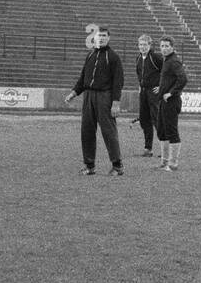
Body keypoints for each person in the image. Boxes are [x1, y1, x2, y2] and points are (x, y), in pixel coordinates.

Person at [64, 27, 125, 176]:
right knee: (87, 131)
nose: (101, 38)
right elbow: (83, 77)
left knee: (109, 131)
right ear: (95, 38)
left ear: (108, 38)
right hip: (88, 97)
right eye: (99, 36)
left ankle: (117, 166)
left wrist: (115, 102)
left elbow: (118, 81)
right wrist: (74, 92)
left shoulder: (113, 57)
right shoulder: (90, 54)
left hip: (105, 96)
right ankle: (89, 165)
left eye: (104, 36)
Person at [155, 36, 188, 171]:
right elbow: (170, 79)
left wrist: (171, 92)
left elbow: (183, 79)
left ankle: (173, 163)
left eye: (167, 46)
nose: (164, 48)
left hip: (171, 102)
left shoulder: (174, 61)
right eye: (162, 46)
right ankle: (164, 161)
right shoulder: (166, 61)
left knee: (171, 131)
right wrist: (161, 88)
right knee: (162, 131)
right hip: (163, 101)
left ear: (172, 47)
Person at [135, 34, 164, 156]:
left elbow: (167, 71)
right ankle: (148, 148)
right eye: (140, 44)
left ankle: (165, 149)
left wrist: (162, 86)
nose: (142, 47)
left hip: (154, 92)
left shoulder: (156, 57)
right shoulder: (138, 58)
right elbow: (139, 74)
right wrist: (140, 86)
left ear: (150, 45)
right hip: (143, 92)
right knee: (144, 120)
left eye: (145, 44)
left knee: (157, 120)